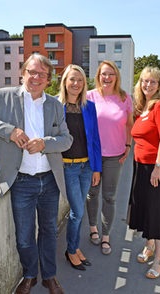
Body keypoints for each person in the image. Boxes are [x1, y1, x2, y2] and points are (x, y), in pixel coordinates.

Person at [0, 54, 72, 294]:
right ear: (23, 73)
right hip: (21, 181)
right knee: (24, 237)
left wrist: (45, 143)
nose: (36, 78)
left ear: (48, 80)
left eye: (42, 75)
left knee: (48, 231)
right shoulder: (3, 97)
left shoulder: (55, 105)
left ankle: (49, 276)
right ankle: (29, 275)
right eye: (32, 72)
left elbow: (66, 140)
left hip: (49, 180)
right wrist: (10, 131)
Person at [127, 66, 160, 279]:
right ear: (140, 83)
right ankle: (149, 244)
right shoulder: (141, 108)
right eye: (145, 81)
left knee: (156, 209)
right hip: (140, 164)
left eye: (153, 82)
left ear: (159, 85)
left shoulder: (159, 107)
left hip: (157, 165)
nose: (148, 85)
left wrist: (158, 168)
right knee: (143, 204)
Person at [86, 60, 134, 255]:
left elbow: (130, 124)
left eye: (110, 74)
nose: (107, 78)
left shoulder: (124, 98)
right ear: (98, 76)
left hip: (115, 156)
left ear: (116, 77)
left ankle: (106, 235)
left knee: (109, 197)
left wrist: (128, 144)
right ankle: (92, 229)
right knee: (92, 194)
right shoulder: (89, 96)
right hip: (93, 156)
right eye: (103, 74)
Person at [58, 64, 102, 271]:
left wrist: (96, 169)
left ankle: (74, 248)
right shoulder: (57, 107)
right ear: (65, 82)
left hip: (86, 166)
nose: (76, 83)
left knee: (79, 212)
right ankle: (71, 250)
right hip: (67, 168)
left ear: (84, 84)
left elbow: (94, 140)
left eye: (80, 80)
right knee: (77, 211)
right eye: (72, 79)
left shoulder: (89, 106)